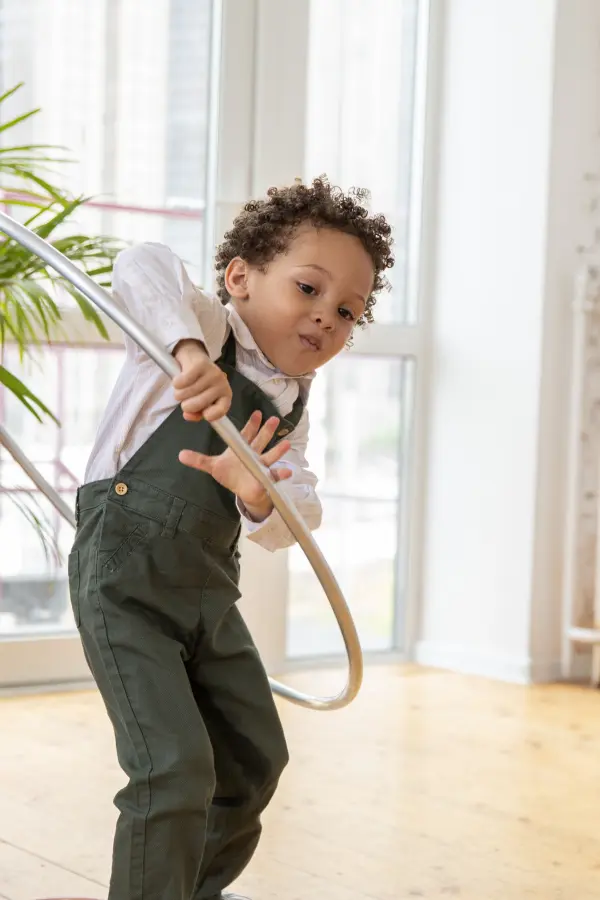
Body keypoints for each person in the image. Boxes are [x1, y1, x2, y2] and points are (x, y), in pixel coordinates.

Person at [69, 177, 394, 900]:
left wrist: (259, 493)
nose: (324, 318)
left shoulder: (290, 407)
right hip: (125, 585)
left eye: (347, 311)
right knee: (174, 766)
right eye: (308, 288)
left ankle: (192, 889)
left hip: (208, 597)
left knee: (254, 759)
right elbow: (140, 264)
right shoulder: (201, 333)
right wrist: (184, 354)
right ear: (240, 277)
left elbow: (296, 516)